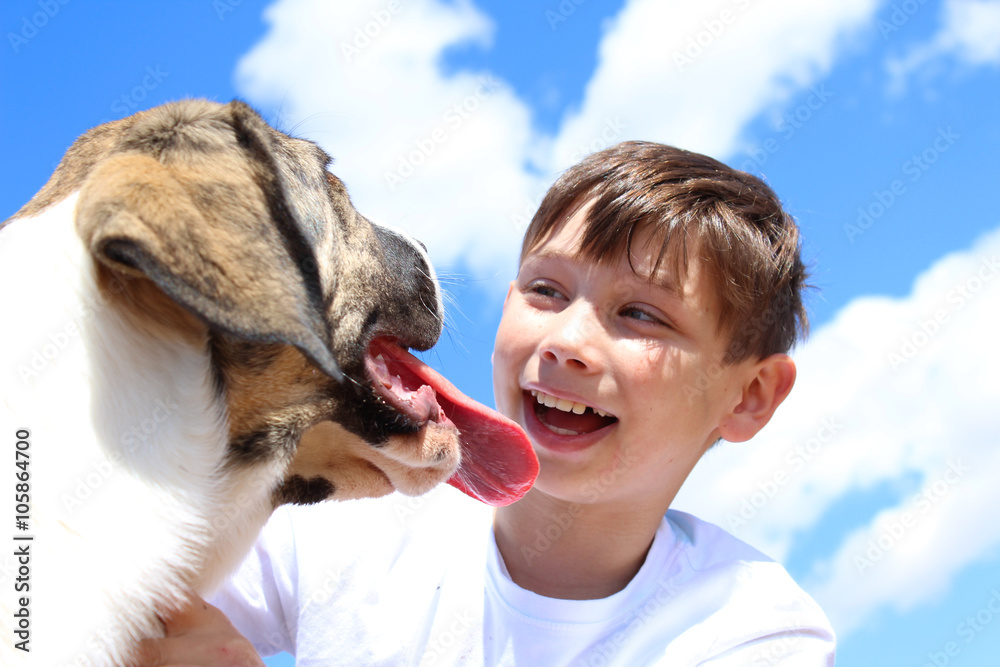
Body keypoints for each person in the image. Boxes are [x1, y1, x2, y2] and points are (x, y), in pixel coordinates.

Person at [137, 141, 835, 666]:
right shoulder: (356, 503)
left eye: (641, 314)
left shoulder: (753, 630)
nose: (566, 341)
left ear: (749, 395)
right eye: (547, 291)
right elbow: (84, 599)